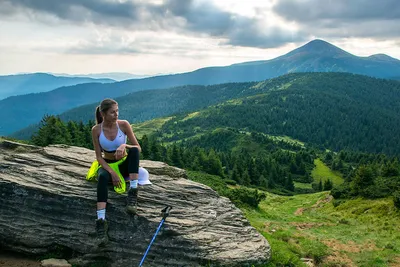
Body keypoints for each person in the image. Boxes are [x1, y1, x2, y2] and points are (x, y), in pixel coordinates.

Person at [91, 98, 142, 246]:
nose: (116, 114)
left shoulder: (124, 125)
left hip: (124, 165)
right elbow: (98, 158)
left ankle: (133, 192)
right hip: (108, 165)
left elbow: (138, 148)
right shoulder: (96, 130)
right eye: (113, 112)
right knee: (101, 178)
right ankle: (101, 221)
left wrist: (124, 145)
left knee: (134, 152)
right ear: (103, 113)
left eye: (117, 111)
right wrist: (112, 173)